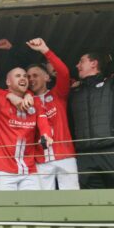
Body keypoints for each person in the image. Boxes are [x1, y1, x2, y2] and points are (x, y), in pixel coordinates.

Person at [0, 45, 53, 191]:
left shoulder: (35, 101)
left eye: (25, 76)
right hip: (3, 170)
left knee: (33, 209)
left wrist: (46, 135)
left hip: (29, 170)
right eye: (18, 76)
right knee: (7, 211)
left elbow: (43, 121)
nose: (23, 78)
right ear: (8, 82)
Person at [25, 38, 79, 190]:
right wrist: (27, 93)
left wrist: (45, 50)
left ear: (47, 77)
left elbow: (64, 72)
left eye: (35, 75)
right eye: (28, 77)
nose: (31, 79)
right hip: (40, 159)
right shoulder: (25, 102)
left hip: (65, 156)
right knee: (45, 203)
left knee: (72, 200)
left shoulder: (58, 94)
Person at [70, 52, 114, 188]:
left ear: (94, 63)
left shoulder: (113, 84)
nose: (77, 65)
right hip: (84, 156)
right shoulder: (74, 93)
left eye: (81, 61)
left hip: (111, 151)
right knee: (92, 204)